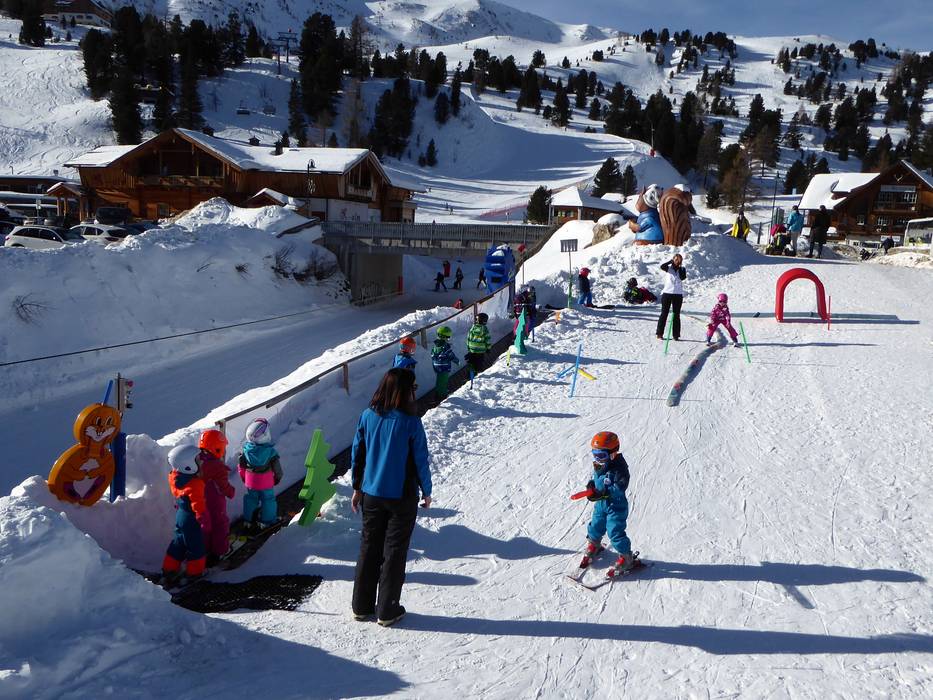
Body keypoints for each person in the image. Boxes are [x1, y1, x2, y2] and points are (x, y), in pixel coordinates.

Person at [351, 368, 432, 627]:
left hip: (371, 493)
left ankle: (361, 605)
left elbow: (358, 453)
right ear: (405, 392)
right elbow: (420, 459)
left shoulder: (367, 416)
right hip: (401, 495)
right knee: (394, 551)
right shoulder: (410, 422)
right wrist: (427, 490)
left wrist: (357, 487)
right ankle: (388, 609)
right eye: (413, 388)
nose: (414, 392)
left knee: (369, 547)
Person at [579, 431, 638, 578]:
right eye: (595, 454)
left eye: (601, 455)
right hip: (601, 504)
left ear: (613, 453)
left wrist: (603, 493)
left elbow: (619, 488)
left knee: (614, 532)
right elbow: (597, 479)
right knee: (596, 525)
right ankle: (594, 544)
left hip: (615, 506)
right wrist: (591, 486)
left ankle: (627, 557)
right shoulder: (600, 465)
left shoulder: (620, 469)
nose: (598, 459)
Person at [161, 444, 210, 585]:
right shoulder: (195, 484)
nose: (201, 462)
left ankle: (169, 569)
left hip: (180, 515)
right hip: (191, 518)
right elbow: (198, 503)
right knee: (195, 546)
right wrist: (202, 517)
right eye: (198, 460)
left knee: (178, 543)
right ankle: (194, 573)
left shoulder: (174, 477)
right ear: (188, 466)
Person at [237, 418, 283, 529]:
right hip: (266, 482)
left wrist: (243, 477)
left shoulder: (245, 450)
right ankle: (267, 521)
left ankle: (248, 520)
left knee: (251, 499)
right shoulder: (270, 452)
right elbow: (277, 468)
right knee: (268, 500)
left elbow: (241, 466)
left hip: (250, 481)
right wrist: (278, 477)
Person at [198, 429, 235, 564]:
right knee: (220, 524)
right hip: (215, 503)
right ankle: (220, 551)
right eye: (223, 448)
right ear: (217, 448)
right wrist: (231, 492)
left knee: (205, 527)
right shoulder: (218, 467)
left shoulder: (196, 461)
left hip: (200, 501)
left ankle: (205, 550)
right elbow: (223, 486)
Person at [656, 254, 686, 340]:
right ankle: (659, 333)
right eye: (676, 259)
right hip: (667, 293)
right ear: (673, 260)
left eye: (679, 260)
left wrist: (679, 268)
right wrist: (670, 262)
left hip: (678, 294)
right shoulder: (669, 268)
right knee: (664, 313)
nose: (677, 261)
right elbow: (662, 266)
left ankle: (676, 335)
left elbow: (683, 277)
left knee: (676, 315)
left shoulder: (682, 269)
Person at [430, 326, 460, 400]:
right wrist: (457, 361)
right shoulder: (445, 347)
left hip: (436, 366)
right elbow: (451, 355)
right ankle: (442, 395)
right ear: (444, 337)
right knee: (443, 381)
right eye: (448, 337)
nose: (448, 339)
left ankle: (438, 392)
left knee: (439, 380)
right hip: (444, 367)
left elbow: (432, 354)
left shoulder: (435, 345)